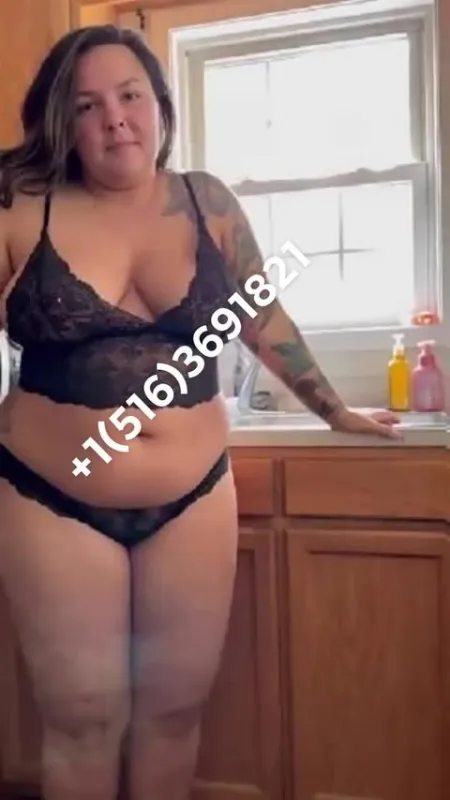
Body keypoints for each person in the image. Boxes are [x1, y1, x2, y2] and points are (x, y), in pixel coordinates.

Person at [0, 24, 401, 800]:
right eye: (87, 105)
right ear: (62, 121)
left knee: (175, 715)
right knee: (82, 720)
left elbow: (261, 314)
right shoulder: (19, 206)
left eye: (130, 96)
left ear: (160, 104)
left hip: (193, 500)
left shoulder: (204, 200)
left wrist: (333, 409)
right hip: (52, 500)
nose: (115, 118)